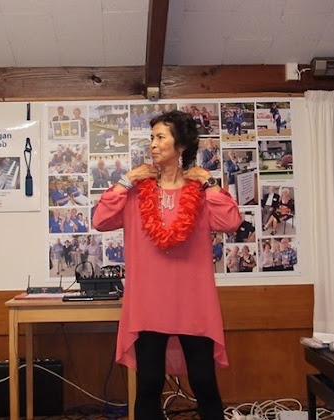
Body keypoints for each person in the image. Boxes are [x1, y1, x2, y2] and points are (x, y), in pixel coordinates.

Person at [93, 110, 241, 420]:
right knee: (148, 383)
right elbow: (101, 220)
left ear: (182, 145)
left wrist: (211, 184)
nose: (153, 145)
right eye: (152, 138)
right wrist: (127, 179)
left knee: (203, 381)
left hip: (193, 301)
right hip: (149, 302)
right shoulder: (136, 193)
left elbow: (230, 222)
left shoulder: (200, 193)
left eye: (161, 137)